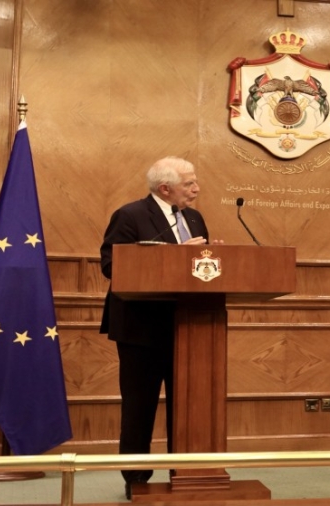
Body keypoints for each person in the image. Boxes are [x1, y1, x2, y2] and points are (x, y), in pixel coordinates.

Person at [99, 156, 219, 499]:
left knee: (188, 407)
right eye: (189, 184)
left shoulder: (194, 218)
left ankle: (186, 473)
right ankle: (136, 478)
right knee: (140, 408)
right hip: (141, 330)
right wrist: (176, 254)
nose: (196, 189)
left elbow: (198, 269)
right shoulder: (129, 215)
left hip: (190, 326)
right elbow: (112, 266)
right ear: (165, 188)